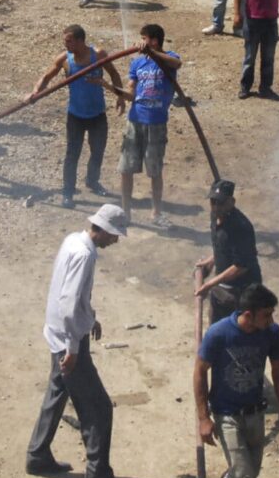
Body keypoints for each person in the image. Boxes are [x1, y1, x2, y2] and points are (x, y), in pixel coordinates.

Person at [26, 205, 133, 478]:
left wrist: (90, 317)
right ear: (104, 230)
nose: (116, 241)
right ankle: (98, 475)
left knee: (57, 392)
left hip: (58, 333)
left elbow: (71, 297)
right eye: (115, 236)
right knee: (99, 408)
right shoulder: (85, 255)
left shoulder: (73, 240)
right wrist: (73, 347)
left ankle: (37, 455)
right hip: (68, 341)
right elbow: (69, 302)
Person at [194, 284, 279, 478]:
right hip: (227, 414)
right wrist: (204, 418)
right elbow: (199, 372)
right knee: (241, 471)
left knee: (253, 472)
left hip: (255, 412)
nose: (271, 320)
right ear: (248, 315)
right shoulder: (219, 334)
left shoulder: (271, 333)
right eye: (266, 314)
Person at [31, 24, 125, 207]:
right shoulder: (65, 59)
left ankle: (92, 181)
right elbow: (46, 78)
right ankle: (68, 192)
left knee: (97, 150)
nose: (65, 44)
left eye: (69, 41)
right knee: (72, 154)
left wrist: (120, 97)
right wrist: (34, 93)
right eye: (65, 41)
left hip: (97, 114)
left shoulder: (98, 55)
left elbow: (114, 73)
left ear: (81, 41)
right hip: (76, 116)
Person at [113, 24, 182, 228]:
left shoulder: (168, 57)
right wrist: (114, 91)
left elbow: (177, 64)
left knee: (155, 171)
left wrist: (152, 52)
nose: (140, 42)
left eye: (144, 38)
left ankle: (156, 214)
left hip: (157, 123)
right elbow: (131, 92)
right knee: (126, 169)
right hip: (135, 121)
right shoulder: (137, 63)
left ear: (154, 40)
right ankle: (125, 214)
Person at [194, 179, 262, 320]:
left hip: (242, 292)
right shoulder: (215, 216)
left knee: (240, 332)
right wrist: (210, 261)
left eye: (221, 202)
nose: (216, 207)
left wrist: (209, 284)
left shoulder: (241, 227)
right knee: (216, 331)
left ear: (232, 201)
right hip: (222, 289)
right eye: (213, 202)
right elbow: (222, 245)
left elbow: (241, 267)